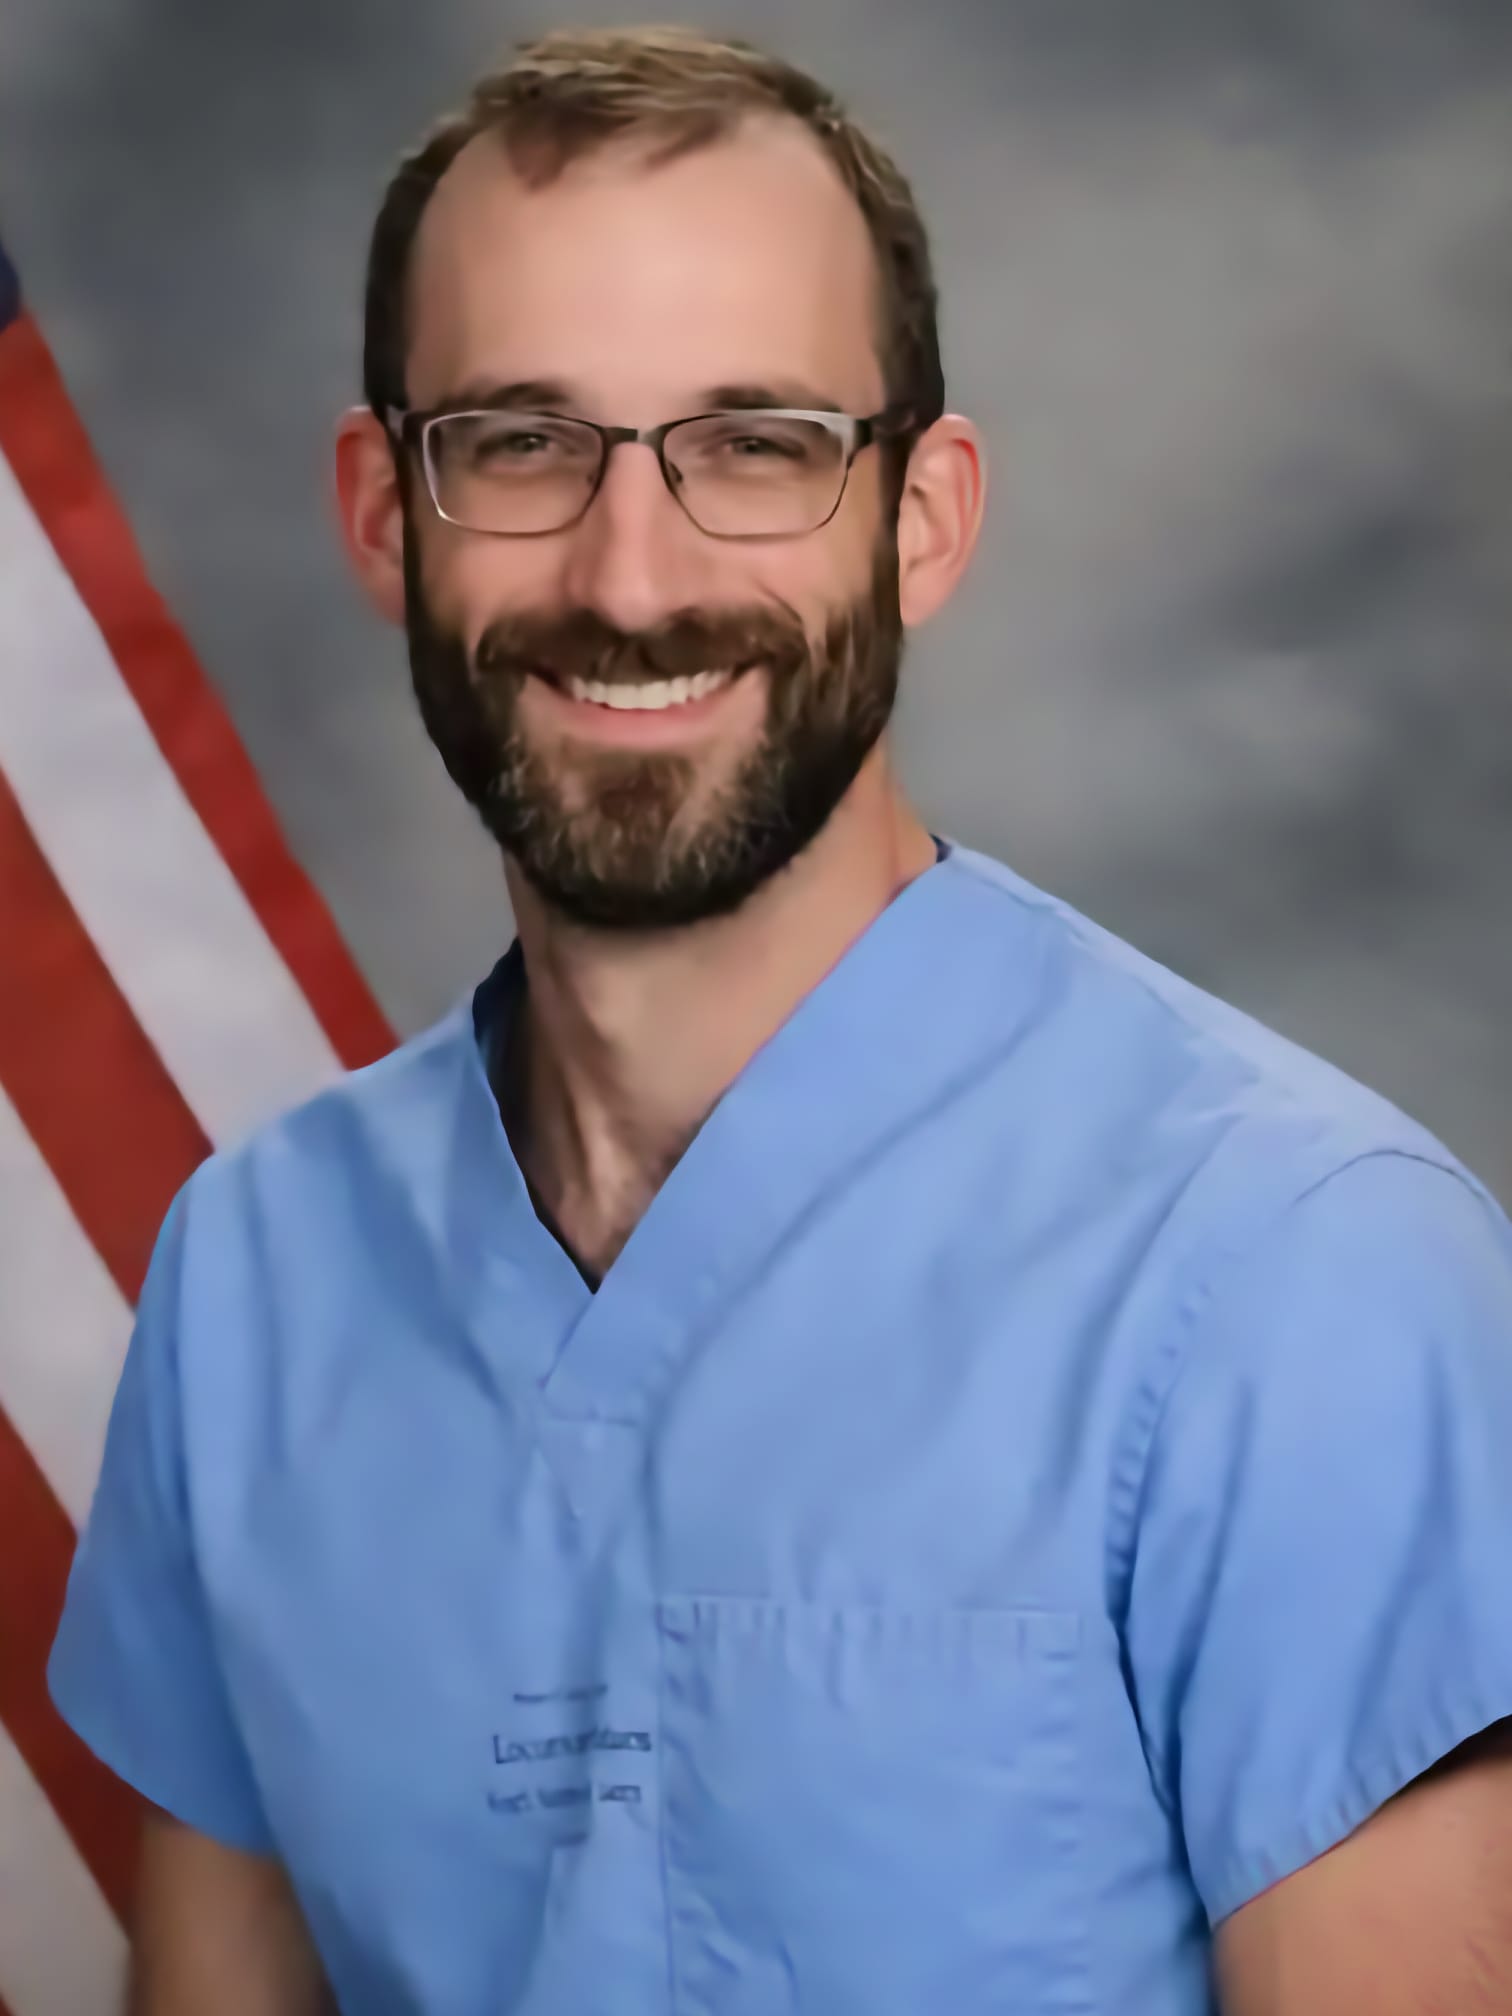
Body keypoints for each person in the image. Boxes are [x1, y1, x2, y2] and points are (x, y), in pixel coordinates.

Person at [50, 25, 1512, 2016]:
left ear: (922, 515)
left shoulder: (1299, 1276)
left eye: (758, 443)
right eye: (520, 440)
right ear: (386, 511)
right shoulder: (255, 1285)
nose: (632, 577)